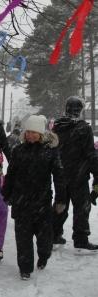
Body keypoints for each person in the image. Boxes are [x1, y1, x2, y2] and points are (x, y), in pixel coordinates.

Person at [2, 115, 66, 280]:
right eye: (28, 132)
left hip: (42, 202)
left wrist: (60, 199)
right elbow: (11, 174)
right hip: (21, 202)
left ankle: (44, 255)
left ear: (41, 133)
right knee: (23, 238)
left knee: (44, 238)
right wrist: (6, 194)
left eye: (34, 132)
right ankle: (25, 268)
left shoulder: (50, 152)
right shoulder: (18, 150)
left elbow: (59, 176)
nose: (30, 135)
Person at [51, 96, 98, 251]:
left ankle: (54, 234)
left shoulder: (57, 126)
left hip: (61, 174)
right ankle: (80, 239)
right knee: (81, 208)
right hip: (78, 175)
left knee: (60, 205)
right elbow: (91, 154)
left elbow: (51, 150)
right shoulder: (84, 128)